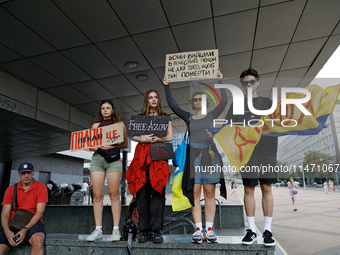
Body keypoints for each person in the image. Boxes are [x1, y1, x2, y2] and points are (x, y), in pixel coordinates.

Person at [163, 69, 227, 244]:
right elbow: (173, 106)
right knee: (195, 192)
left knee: (209, 193)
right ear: (193, 103)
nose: (198, 101)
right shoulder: (189, 117)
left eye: (201, 99)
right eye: (196, 99)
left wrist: (220, 81)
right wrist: (167, 86)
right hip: (193, 155)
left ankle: (209, 229)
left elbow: (224, 101)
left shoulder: (213, 114)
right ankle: (198, 230)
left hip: (210, 154)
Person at [225, 68, 277, 246]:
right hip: (246, 152)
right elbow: (227, 128)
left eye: (252, 82)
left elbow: (283, 122)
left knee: (267, 188)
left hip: (267, 150)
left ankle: (268, 231)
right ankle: (251, 230)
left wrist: (313, 124)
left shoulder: (267, 102)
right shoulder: (236, 104)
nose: (249, 85)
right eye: (245, 82)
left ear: (257, 83)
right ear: (241, 85)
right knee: (248, 189)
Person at [126, 89, 173, 244]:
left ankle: (157, 230)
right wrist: (143, 138)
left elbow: (170, 137)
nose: (153, 100)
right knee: (142, 194)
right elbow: (132, 135)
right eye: (150, 98)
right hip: (141, 155)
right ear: (147, 101)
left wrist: (156, 138)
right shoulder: (140, 118)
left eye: (156, 97)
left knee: (158, 194)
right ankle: (144, 230)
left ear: (158, 100)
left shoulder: (165, 117)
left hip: (159, 155)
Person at [86, 100, 128, 242]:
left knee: (114, 194)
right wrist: (93, 147)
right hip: (97, 159)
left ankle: (116, 230)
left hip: (113, 160)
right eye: (103, 108)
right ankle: (98, 230)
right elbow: (90, 145)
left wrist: (109, 147)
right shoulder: (95, 126)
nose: (105, 110)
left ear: (113, 110)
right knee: (97, 195)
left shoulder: (119, 125)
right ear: (100, 111)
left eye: (108, 108)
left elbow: (125, 144)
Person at [0, 163, 48, 255]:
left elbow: (39, 212)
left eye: (28, 173)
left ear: (33, 173)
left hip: (34, 222)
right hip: (14, 223)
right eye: (23, 173)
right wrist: (7, 232)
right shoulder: (10, 189)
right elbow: (5, 214)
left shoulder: (41, 188)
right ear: (18, 174)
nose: (26, 176)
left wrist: (25, 229)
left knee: (38, 240)